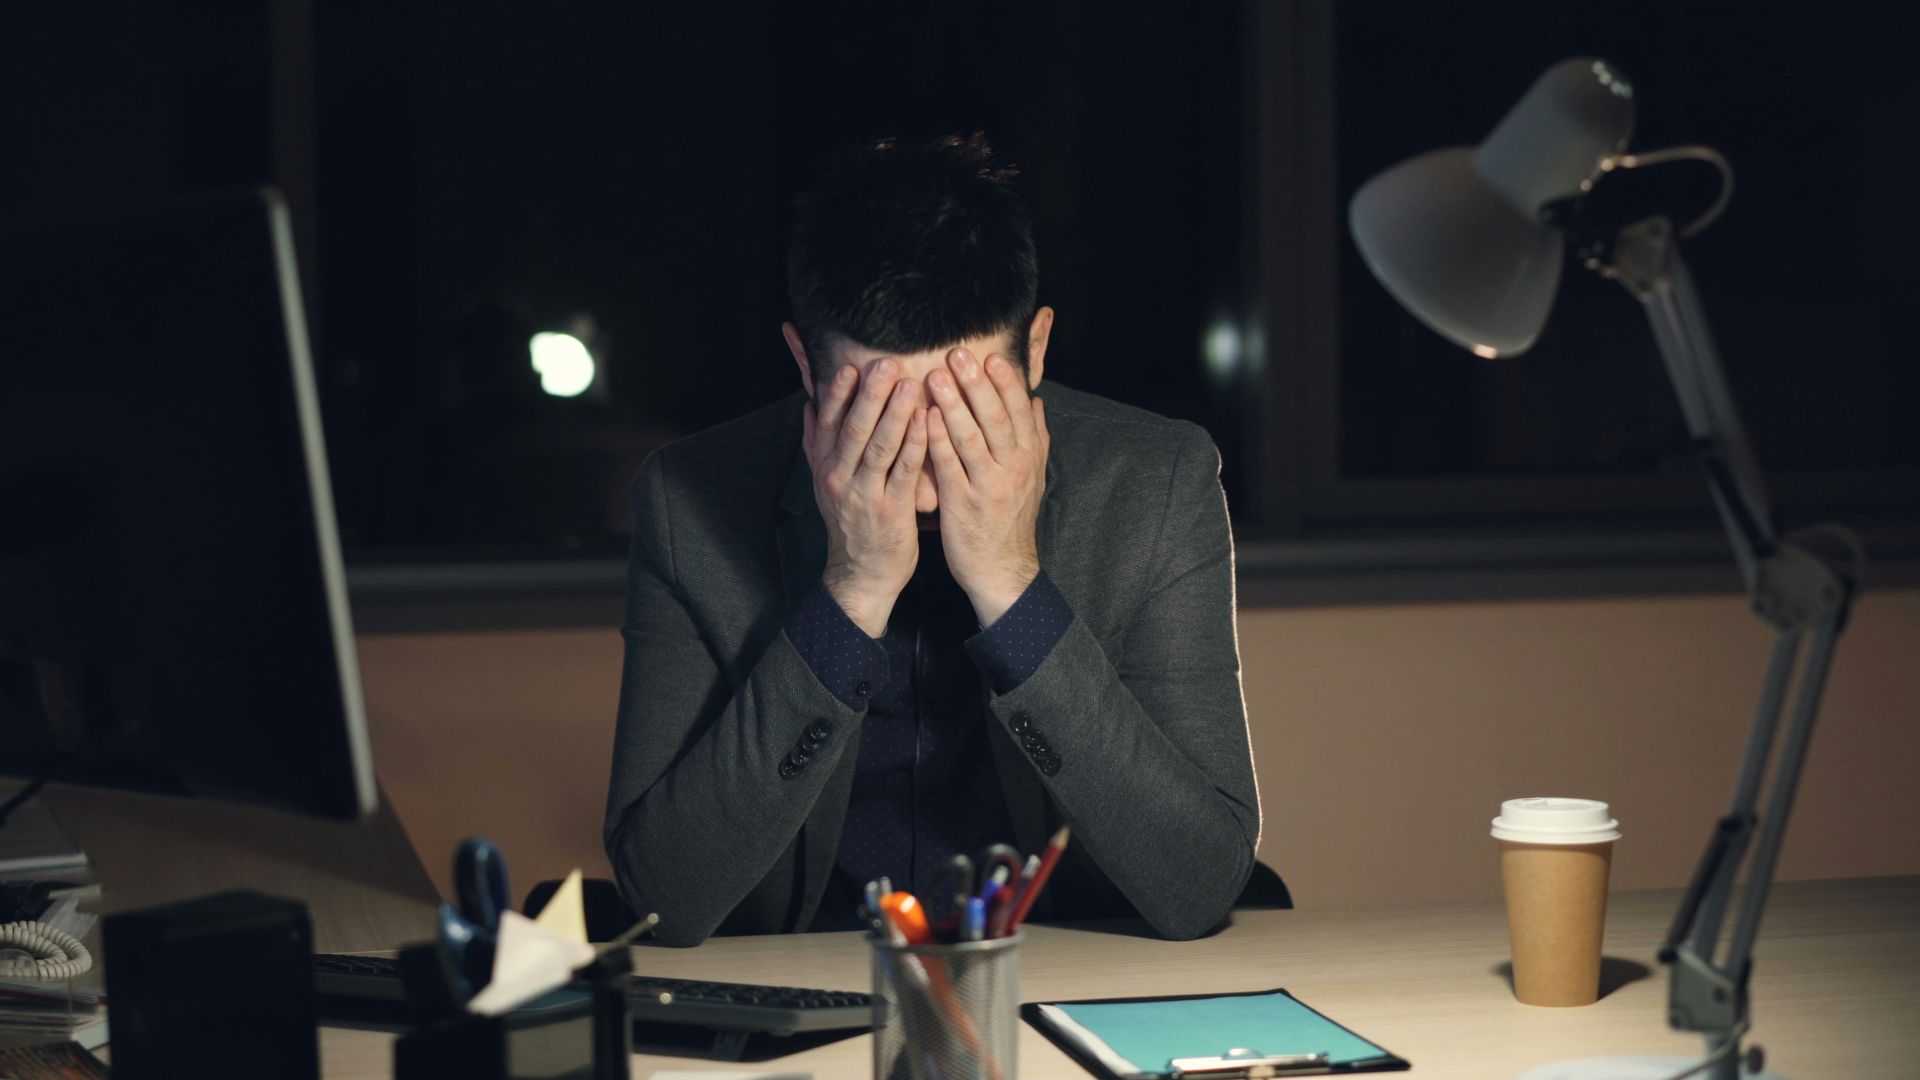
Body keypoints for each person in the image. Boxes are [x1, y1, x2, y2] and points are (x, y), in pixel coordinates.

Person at [604, 133, 1260, 946]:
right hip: (810, 978)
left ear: (1038, 351)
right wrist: (851, 589)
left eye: (964, 405)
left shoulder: (1157, 481)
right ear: (804, 365)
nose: (922, 455)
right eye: (877, 411)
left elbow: (1200, 882)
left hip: (1070, 972)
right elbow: (664, 897)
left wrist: (1012, 583)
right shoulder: (688, 500)